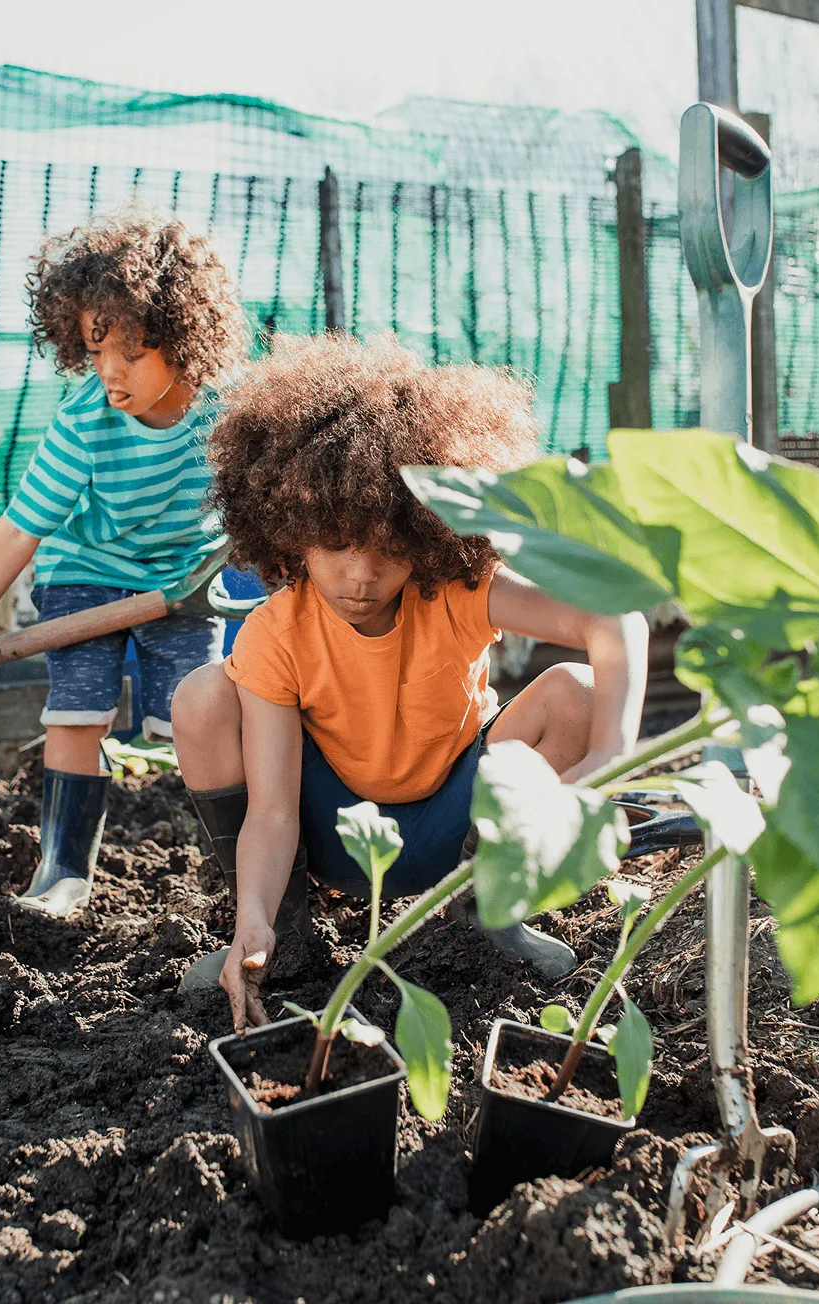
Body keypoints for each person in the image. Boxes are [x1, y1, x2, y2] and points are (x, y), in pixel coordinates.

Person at [170, 335, 651, 1030]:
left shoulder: (455, 590)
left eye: (390, 548)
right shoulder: (280, 630)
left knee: (574, 691)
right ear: (287, 528)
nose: (361, 575)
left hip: (457, 824)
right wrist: (250, 920)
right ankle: (285, 940)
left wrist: (612, 751)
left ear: (428, 533)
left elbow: (614, 615)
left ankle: (491, 918)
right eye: (335, 543)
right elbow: (273, 813)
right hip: (336, 835)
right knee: (204, 695)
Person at [0, 209, 249, 918]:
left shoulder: (228, 414)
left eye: (128, 353)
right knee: (77, 715)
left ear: (183, 339)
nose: (108, 370)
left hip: (181, 579)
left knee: (195, 719)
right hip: (85, 571)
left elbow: (266, 500)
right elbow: (17, 532)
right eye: (94, 349)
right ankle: (62, 871)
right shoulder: (84, 421)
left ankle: (240, 873)